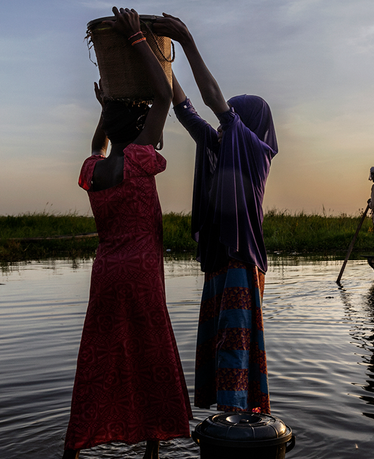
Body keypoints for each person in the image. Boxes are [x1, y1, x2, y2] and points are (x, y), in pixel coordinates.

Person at [53, 7, 192, 459]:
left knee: (97, 359)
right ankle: (152, 451)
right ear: (138, 129)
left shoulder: (94, 171)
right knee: (151, 355)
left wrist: (104, 108)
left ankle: (71, 455)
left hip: (106, 274)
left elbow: (99, 145)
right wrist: (137, 38)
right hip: (141, 274)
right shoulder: (138, 159)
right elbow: (164, 96)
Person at [153, 13, 275, 414]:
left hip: (241, 261)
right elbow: (186, 109)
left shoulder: (254, 151)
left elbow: (211, 101)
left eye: (231, 120)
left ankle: (236, 423)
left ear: (248, 125)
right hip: (220, 261)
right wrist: (158, 57)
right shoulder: (219, 145)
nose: (221, 127)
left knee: (233, 345)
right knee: (220, 342)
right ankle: (229, 418)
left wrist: (187, 41)